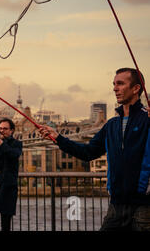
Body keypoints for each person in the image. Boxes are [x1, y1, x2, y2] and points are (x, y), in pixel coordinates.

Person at [39, 68, 150, 231]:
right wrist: (58, 138)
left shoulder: (147, 120)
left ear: (136, 88)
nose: (114, 88)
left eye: (120, 83)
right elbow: (88, 152)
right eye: (113, 84)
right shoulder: (111, 125)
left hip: (144, 207)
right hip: (116, 205)